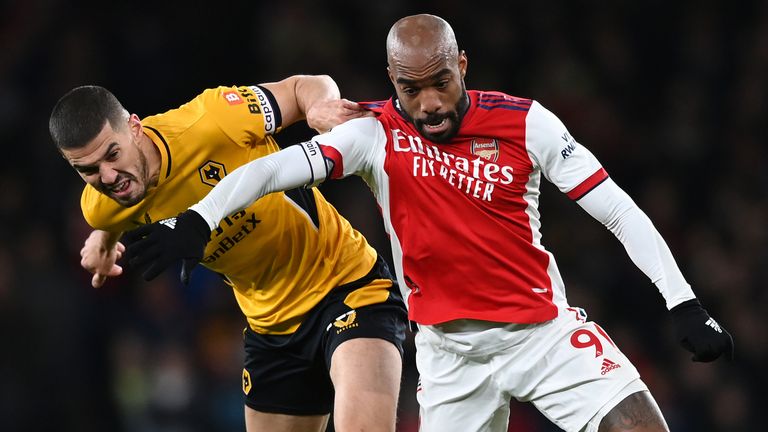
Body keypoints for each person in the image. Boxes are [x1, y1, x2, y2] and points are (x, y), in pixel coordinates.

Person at [123, 14, 735, 432]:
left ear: (462, 65)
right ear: (394, 83)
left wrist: (680, 300)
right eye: (413, 90)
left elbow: (618, 209)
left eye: (441, 82)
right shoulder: (371, 134)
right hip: (448, 358)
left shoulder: (527, 123)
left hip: (542, 334)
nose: (431, 104)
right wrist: (199, 221)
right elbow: (268, 172)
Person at [48, 76, 409, 432]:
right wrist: (104, 243)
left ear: (135, 128)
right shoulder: (101, 205)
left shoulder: (213, 119)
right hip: (271, 328)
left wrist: (316, 109)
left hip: (348, 286)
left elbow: (306, 86)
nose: (109, 176)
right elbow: (109, 215)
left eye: (113, 154)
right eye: (89, 170)